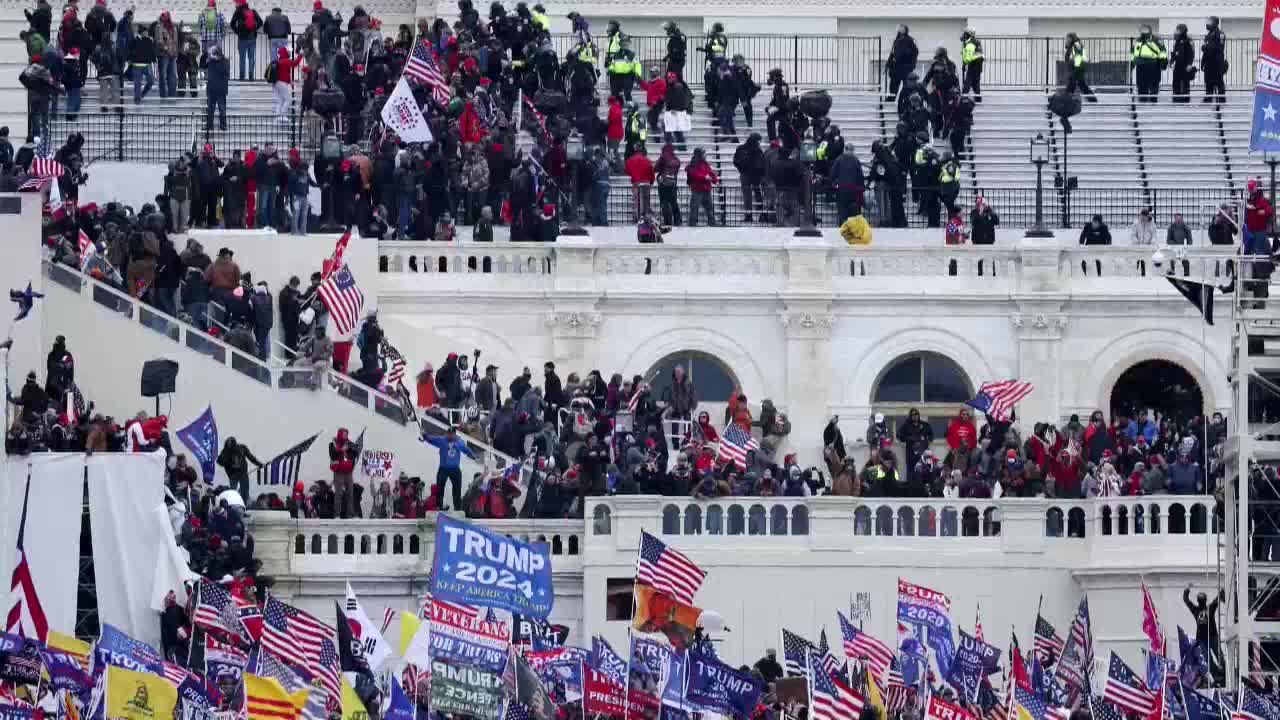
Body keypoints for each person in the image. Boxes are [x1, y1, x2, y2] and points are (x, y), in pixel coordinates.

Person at [423, 426, 477, 511]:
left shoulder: (460, 442)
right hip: (443, 468)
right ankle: (439, 506)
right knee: (440, 488)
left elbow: (467, 450)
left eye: (451, 434)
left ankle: (457, 507)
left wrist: (474, 456)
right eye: (448, 434)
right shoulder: (442, 440)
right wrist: (425, 436)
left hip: (455, 470)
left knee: (457, 489)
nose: (450, 435)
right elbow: (432, 439)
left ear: (455, 434)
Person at [1184, 584, 1225, 683]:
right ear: (1200, 600)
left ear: (1204, 600)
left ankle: (1224, 673)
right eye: (1201, 599)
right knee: (1208, 659)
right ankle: (1217, 675)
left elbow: (1218, 598)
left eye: (1202, 598)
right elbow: (1186, 600)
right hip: (1202, 639)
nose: (1202, 600)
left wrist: (1224, 588)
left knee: (1219, 656)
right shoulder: (1197, 609)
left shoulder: (1208, 608)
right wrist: (1187, 589)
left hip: (1212, 637)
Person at [1131, 25, 1167, 104]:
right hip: (1141, 65)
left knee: (1154, 83)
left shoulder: (1156, 40)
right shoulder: (1138, 41)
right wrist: (1132, 63)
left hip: (1153, 64)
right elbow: (1133, 52)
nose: (1144, 33)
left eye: (1145, 31)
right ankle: (1142, 99)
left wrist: (1163, 62)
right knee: (1141, 84)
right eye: (1142, 31)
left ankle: (1153, 100)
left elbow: (1162, 51)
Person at [733, 133, 764, 223]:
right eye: (758, 141)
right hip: (751, 174)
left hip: (747, 174)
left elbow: (735, 161)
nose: (759, 143)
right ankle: (759, 214)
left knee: (750, 195)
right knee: (755, 194)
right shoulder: (757, 150)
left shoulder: (742, 149)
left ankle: (750, 215)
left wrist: (741, 169)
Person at [329, 427, 358, 518]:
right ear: (339, 434)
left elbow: (355, 453)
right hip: (339, 471)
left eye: (346, 434)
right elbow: (332, 455)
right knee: (339, 493)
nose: (345, 435)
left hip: (348, 472)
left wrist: (349, 451)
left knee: (350, 493)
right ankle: (337, 514)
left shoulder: (349, 443)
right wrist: (341, 450)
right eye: (344, 434)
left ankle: (350, 514)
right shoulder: (333, 443)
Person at [229, 0, 261, 80]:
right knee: (251, 58)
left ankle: (242, 77)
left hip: (242, 38)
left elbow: (232, 24)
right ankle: (251, 76)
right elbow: (260, 22)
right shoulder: (253, 11)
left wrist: (237, 32)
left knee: (242, 58)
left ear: (240, 4)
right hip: (252, 38)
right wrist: (255, 29)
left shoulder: (238, 12)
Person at [685, 148, 718, 227]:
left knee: (709, 208)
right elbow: (694, 174)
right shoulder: (693, 164)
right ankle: (692, 224)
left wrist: (715, 180)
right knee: (695, 208)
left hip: (706, 189)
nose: (705, 155)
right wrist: (705, 177)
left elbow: (710, 173)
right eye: (703, 153)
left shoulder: (705, 164)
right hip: (697, 189)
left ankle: (712, 223)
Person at [831, 146, 864, 225]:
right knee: (853, 210)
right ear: (852, 150)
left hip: (842, 189)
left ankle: (844, 225)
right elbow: (860, 175)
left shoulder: (839, 159)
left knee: (842, 209)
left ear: (845, 150)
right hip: (853, 189)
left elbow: (833, 174)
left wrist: (835, 183)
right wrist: (861, 187)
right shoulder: (856, 160)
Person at [886, 24, 918, 100]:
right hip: (896, 68)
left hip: (906, 68)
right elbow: (892, 53)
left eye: (902, 28)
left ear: (906, 30)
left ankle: (906, 101)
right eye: (899, 28)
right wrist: (889, 63)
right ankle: (891, 99)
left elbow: (915, 53)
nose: (900, 29)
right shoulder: (896, 40)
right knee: (893, 86)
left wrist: (912, 65)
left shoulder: (910, 40)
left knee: (906, 87)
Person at [655, 142, 682, 226]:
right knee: (674, 203)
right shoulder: (676, 159)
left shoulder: (662, 158)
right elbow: (677, 169)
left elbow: (655, 169)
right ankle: (678, 220)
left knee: (664, 203)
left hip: (663, 184)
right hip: (673, 184)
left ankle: (668, 221)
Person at [203, 47, 230, 131]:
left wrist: (217, 61)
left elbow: (224, 71)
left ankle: (223, 125)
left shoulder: (225, 61)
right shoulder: (210, 61)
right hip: (211, 89)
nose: (211, 55)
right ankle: (209, 125)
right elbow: (203, 66)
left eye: (213, 53)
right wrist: (206, 60)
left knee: (222, 109)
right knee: (210, 109)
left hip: (221, 90)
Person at [624, 144, 653, 219]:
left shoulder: (630, 160)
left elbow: (627, 171)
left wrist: (633, 174)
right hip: (646, 183)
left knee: (637, 202)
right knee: (646, 201)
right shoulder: (648, 160)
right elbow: (651, 172)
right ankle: (647, 217)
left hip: (636, 183)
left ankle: (638, 218)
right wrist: (651, 181)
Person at [1065, 33, 1096, 102]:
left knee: (1074, 84)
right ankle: (1092, 99)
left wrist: (1075, 69)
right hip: (1075, 69)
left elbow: (1078, 57)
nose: (1066, 39)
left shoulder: (1076, 45)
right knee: (1080, 84)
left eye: (1067, 38)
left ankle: (1067, 99)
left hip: (1077, 68)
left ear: (1071, 38)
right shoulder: (1072, 46)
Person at [1201, 16, 1226, 104]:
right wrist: (1203, 62)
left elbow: (1218, 48)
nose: (1208, 24)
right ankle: (1208, 98)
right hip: (1208, 62)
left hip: (1216, 62)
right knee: (1208, 81)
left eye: (1210, 22)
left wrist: (1206, 47)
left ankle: (1221, 99)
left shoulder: (1220, 34)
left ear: (1215, 23)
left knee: (1219, 81)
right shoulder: (1208, 35)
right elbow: (1205, 49)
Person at [1170, 24, 1195, 104]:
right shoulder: (1177, 41)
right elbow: (1174, 53)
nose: (1176, 32)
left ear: (1183, 31)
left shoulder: (1188, 41)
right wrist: (1171, 61)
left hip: (1185, 65)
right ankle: (1176, 98)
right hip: (1178, 65)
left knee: (1185, 82)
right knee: (1176, 81)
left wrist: (1190, 64)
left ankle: (1185, 99)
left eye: (1178, 31)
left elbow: (1191, 54)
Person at [960, 28, 983, 101]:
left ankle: (964, 97)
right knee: (975, 83)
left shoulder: (970, 44)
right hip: (978, 65)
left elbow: (968, 58)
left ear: (968, 35)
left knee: (968, 82)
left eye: (965, 34)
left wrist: (965, 63)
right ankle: (978, 98)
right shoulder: (975, 42)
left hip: (974, 64)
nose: (963, 35)